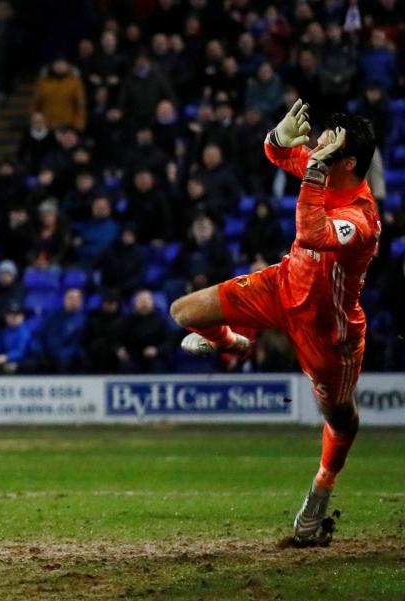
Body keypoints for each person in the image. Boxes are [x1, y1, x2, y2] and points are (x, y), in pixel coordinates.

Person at [170, 101, 380, 545]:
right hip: (282, 287)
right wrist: (275, 137)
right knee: (183, 312)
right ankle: (232, 343)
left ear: (347, 162)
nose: (317, 144)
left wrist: (313, 171)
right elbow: (277, 152)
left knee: (341, 421)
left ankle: (321, 490)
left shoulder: (362, 219)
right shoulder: (326, 166)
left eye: (327, 143)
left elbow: (313, 234)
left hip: (329, 333)